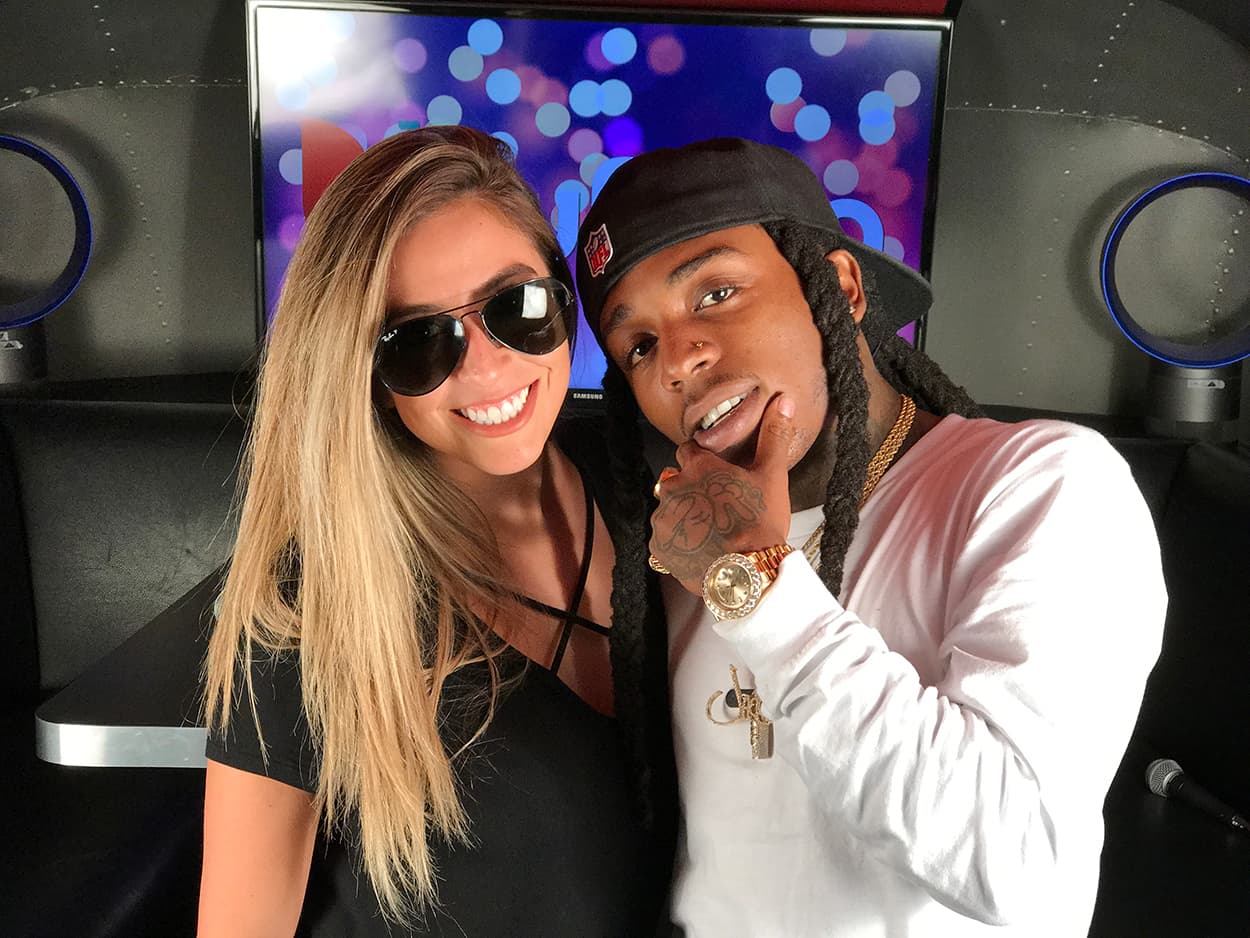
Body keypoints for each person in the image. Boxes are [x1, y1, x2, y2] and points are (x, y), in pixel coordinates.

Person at [574, 137, 1166, 937]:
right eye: (638, 346)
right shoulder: (681, 549)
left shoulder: (1040, 483)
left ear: (843, 286)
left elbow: (1015, 861)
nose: (676, 361)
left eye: (715, 293)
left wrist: (755, 582)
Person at [199, 126, 675, 937]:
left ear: (563, 294)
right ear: (366, 378)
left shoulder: (653, 480)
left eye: (516, 307)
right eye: (419, 342)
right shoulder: (307, 609)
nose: (486, 368)